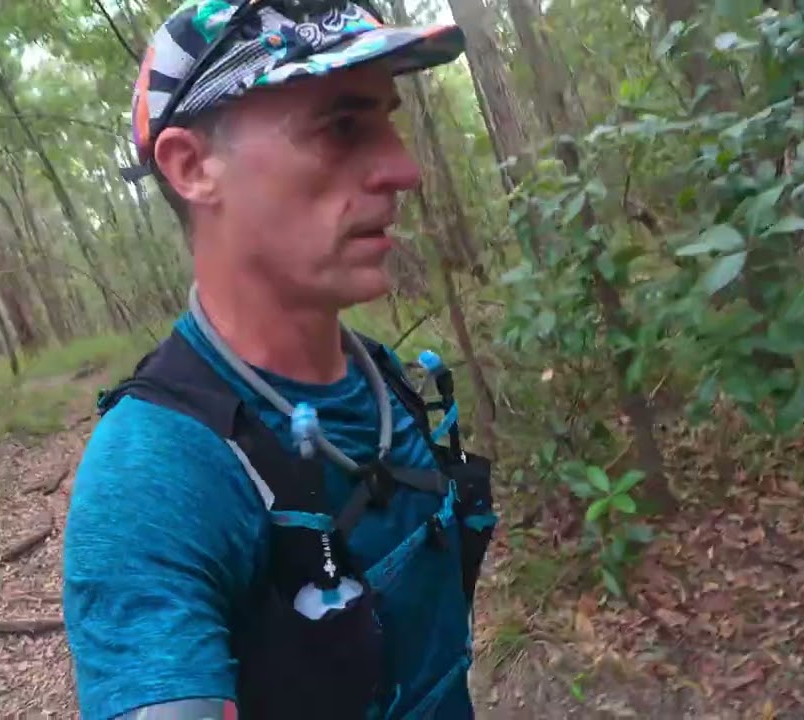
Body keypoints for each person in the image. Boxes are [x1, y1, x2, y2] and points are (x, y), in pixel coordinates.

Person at [62, 0, 496, 717]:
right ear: (193, 166)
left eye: (389, 122)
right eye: (342, 126)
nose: (404, 169)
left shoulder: (385, 381)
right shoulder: (154, 479)